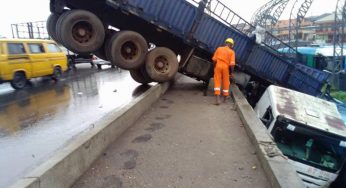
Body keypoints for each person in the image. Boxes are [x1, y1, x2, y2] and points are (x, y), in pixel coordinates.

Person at [212, 38, 236, 105]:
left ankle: (217, 99)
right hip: (226, 67)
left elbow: (214, 59)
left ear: (226, 43)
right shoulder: (232, 52)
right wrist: (231, 72)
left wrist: (214, 66)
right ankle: (225, 99)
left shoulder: (219, 48)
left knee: (217, 81)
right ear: (231, 45)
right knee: (226, 81)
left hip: (218, 65)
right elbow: (232, 64)